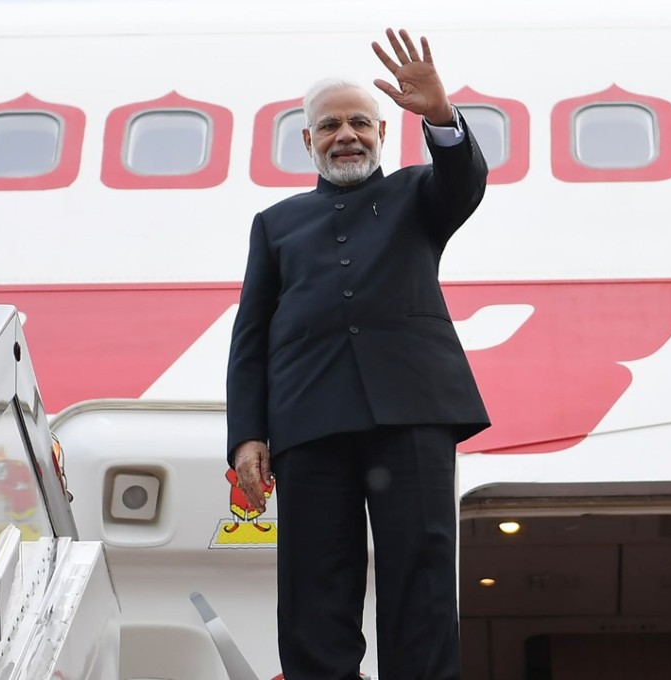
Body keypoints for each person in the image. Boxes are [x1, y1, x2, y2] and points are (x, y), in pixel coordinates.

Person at [226, 27, 489, 680]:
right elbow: (250, 337)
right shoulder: (276, 225)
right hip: (308, 421)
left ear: (380, 131)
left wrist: (440, 115)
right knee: (314, 586)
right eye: (330, 126)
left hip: (413, 412)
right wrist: (247, 435)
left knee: (422, 578)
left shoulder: (417, 194)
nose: (346, 134)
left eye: (360, 123)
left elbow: (464, 183)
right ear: (309, 141)